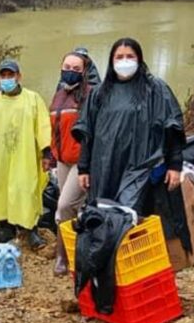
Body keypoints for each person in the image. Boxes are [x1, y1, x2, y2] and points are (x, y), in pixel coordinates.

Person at [74, 38, 185, 216]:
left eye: (130, 56)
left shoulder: (156, 89)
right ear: (111, 61)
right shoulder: (99, 93)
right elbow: (88, 133)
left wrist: (175, 166)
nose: (124, 61)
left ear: (139, 59)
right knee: (105, 212)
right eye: (119, 57)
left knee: (133, 214)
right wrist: (83, 168)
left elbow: (172, 129)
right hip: (105, 166)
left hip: (141, 168)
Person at [0, 60, 51, 248]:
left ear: (19, 76)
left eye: (11, 75)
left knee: (26, 189)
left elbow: (43, 126)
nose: (7, 79)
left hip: (25, 155)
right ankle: (6, 229)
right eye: (3, 76)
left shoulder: (33, 99)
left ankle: (31, 231)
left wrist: (46, 153)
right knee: (0, 190)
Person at [49, 52, 94, 275]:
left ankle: (62, 257)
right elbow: (54, 128)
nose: (70, 71)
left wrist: (90, 163)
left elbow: (94, 131)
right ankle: (77, 251)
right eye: (67, 66)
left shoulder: (89, 94)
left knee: (65, 205)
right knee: (71, 207)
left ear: (84, 72)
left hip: (82, 161)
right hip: (62, 159)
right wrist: (50, 157)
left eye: (76, 69)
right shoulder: (58, 95)